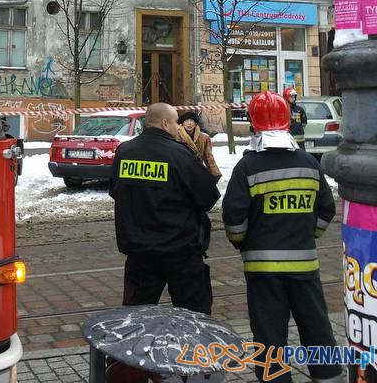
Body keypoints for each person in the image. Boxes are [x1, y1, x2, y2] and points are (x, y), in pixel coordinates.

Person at [223, 91, 342, 383]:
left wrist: (243, 243)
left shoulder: (247, 167)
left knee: (269, 335)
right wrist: (308, 236)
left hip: (262, 269)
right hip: (305, 266)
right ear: (288, 121)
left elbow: (234, 219)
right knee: (317, 327)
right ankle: (329, 377)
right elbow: (327, 209)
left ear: (253, 124)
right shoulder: (309, 163)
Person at [109, 102, 220, 315]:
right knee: (193, 316)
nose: (179, 127)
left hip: (139, 252)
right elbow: (208, 197)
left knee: (136, 316)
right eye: (176, 122)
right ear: (165, 123)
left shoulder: (124, 152)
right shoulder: (180, 154)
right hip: (180, 251)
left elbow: (115, 191)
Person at [176, 110, 222, 180]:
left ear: (195, 124)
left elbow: (208, 157)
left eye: (192, 121)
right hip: (181, 171)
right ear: (182, 123)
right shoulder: (176, 136)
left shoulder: (204, 138)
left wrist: (215, 174)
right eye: (186, 121)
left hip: (197, 170)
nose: (189, 123)